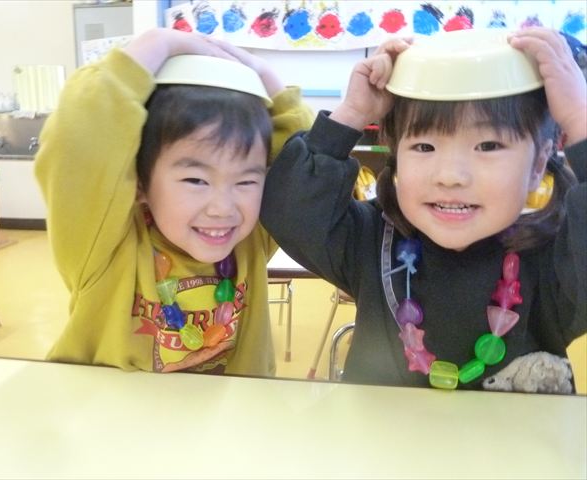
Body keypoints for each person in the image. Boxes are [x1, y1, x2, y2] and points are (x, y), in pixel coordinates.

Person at [261, 27, 586, 392]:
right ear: (396, 155)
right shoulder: (371, 242)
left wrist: (579, 118)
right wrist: (353, 112)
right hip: (380, 430)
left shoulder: (555, 261)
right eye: (424, 147)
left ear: (539, 165)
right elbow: (288, 209)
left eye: (488, 146)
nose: (450, 176)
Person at [35, 28, 313, 375]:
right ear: (139, 183)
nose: (222, 208)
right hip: (107, 408)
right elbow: (79, 137)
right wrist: (161, 43)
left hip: (229, 409)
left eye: (246, 181)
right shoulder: (104, 245)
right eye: (196, 180)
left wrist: (265, 75)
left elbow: (304, 172)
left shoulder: (253, 237)